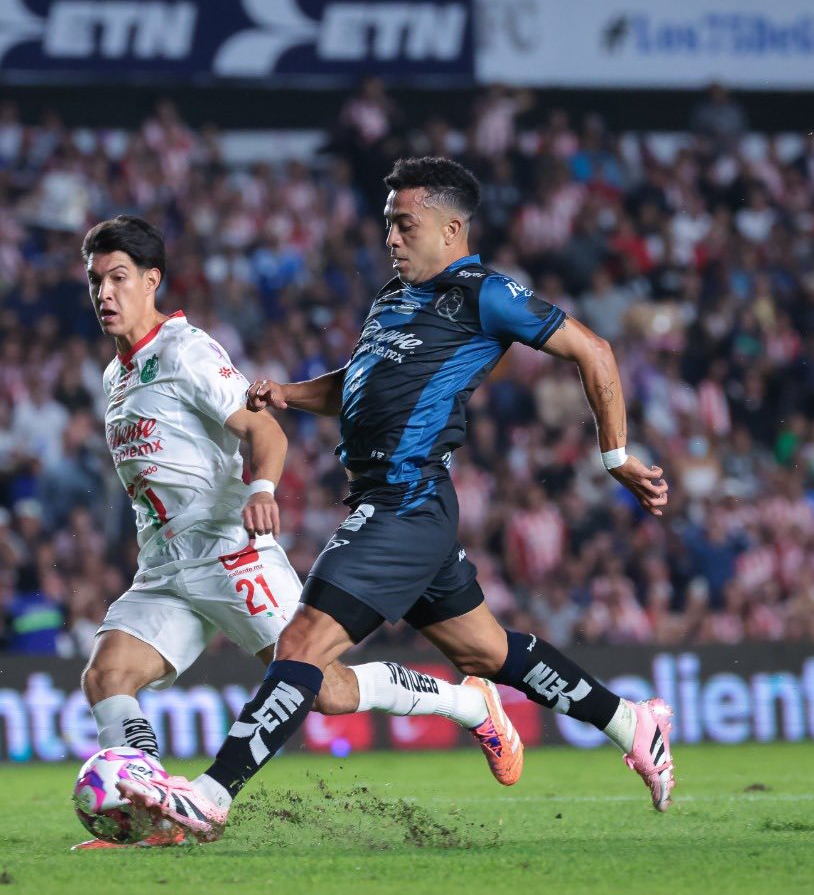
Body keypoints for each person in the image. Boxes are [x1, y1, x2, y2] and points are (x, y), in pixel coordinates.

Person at [121, 157, 675, 843]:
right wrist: (290, 393)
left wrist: (615, 456)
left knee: (302, 642)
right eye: (388, 224)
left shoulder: (486, 293)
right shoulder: (392, 297)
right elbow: (358, 381)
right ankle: (631, 722)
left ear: (451, 229)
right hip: (404, 504)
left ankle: (209, 797)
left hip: (404, 501)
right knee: (488, 654)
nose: (390, 238)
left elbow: (595, 351)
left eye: (404, 224)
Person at [75, 214, 522, 849]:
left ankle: (470, 704)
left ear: (152, 281)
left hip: (230, 555)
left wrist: (261, 489)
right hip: (166, 566)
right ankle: (151, 814)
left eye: (119, 278)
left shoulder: (185, 351)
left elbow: (265, 431)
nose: (105, 293)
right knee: (106, 677)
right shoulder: (115, 375)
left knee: (329, 691)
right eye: (96, 280)